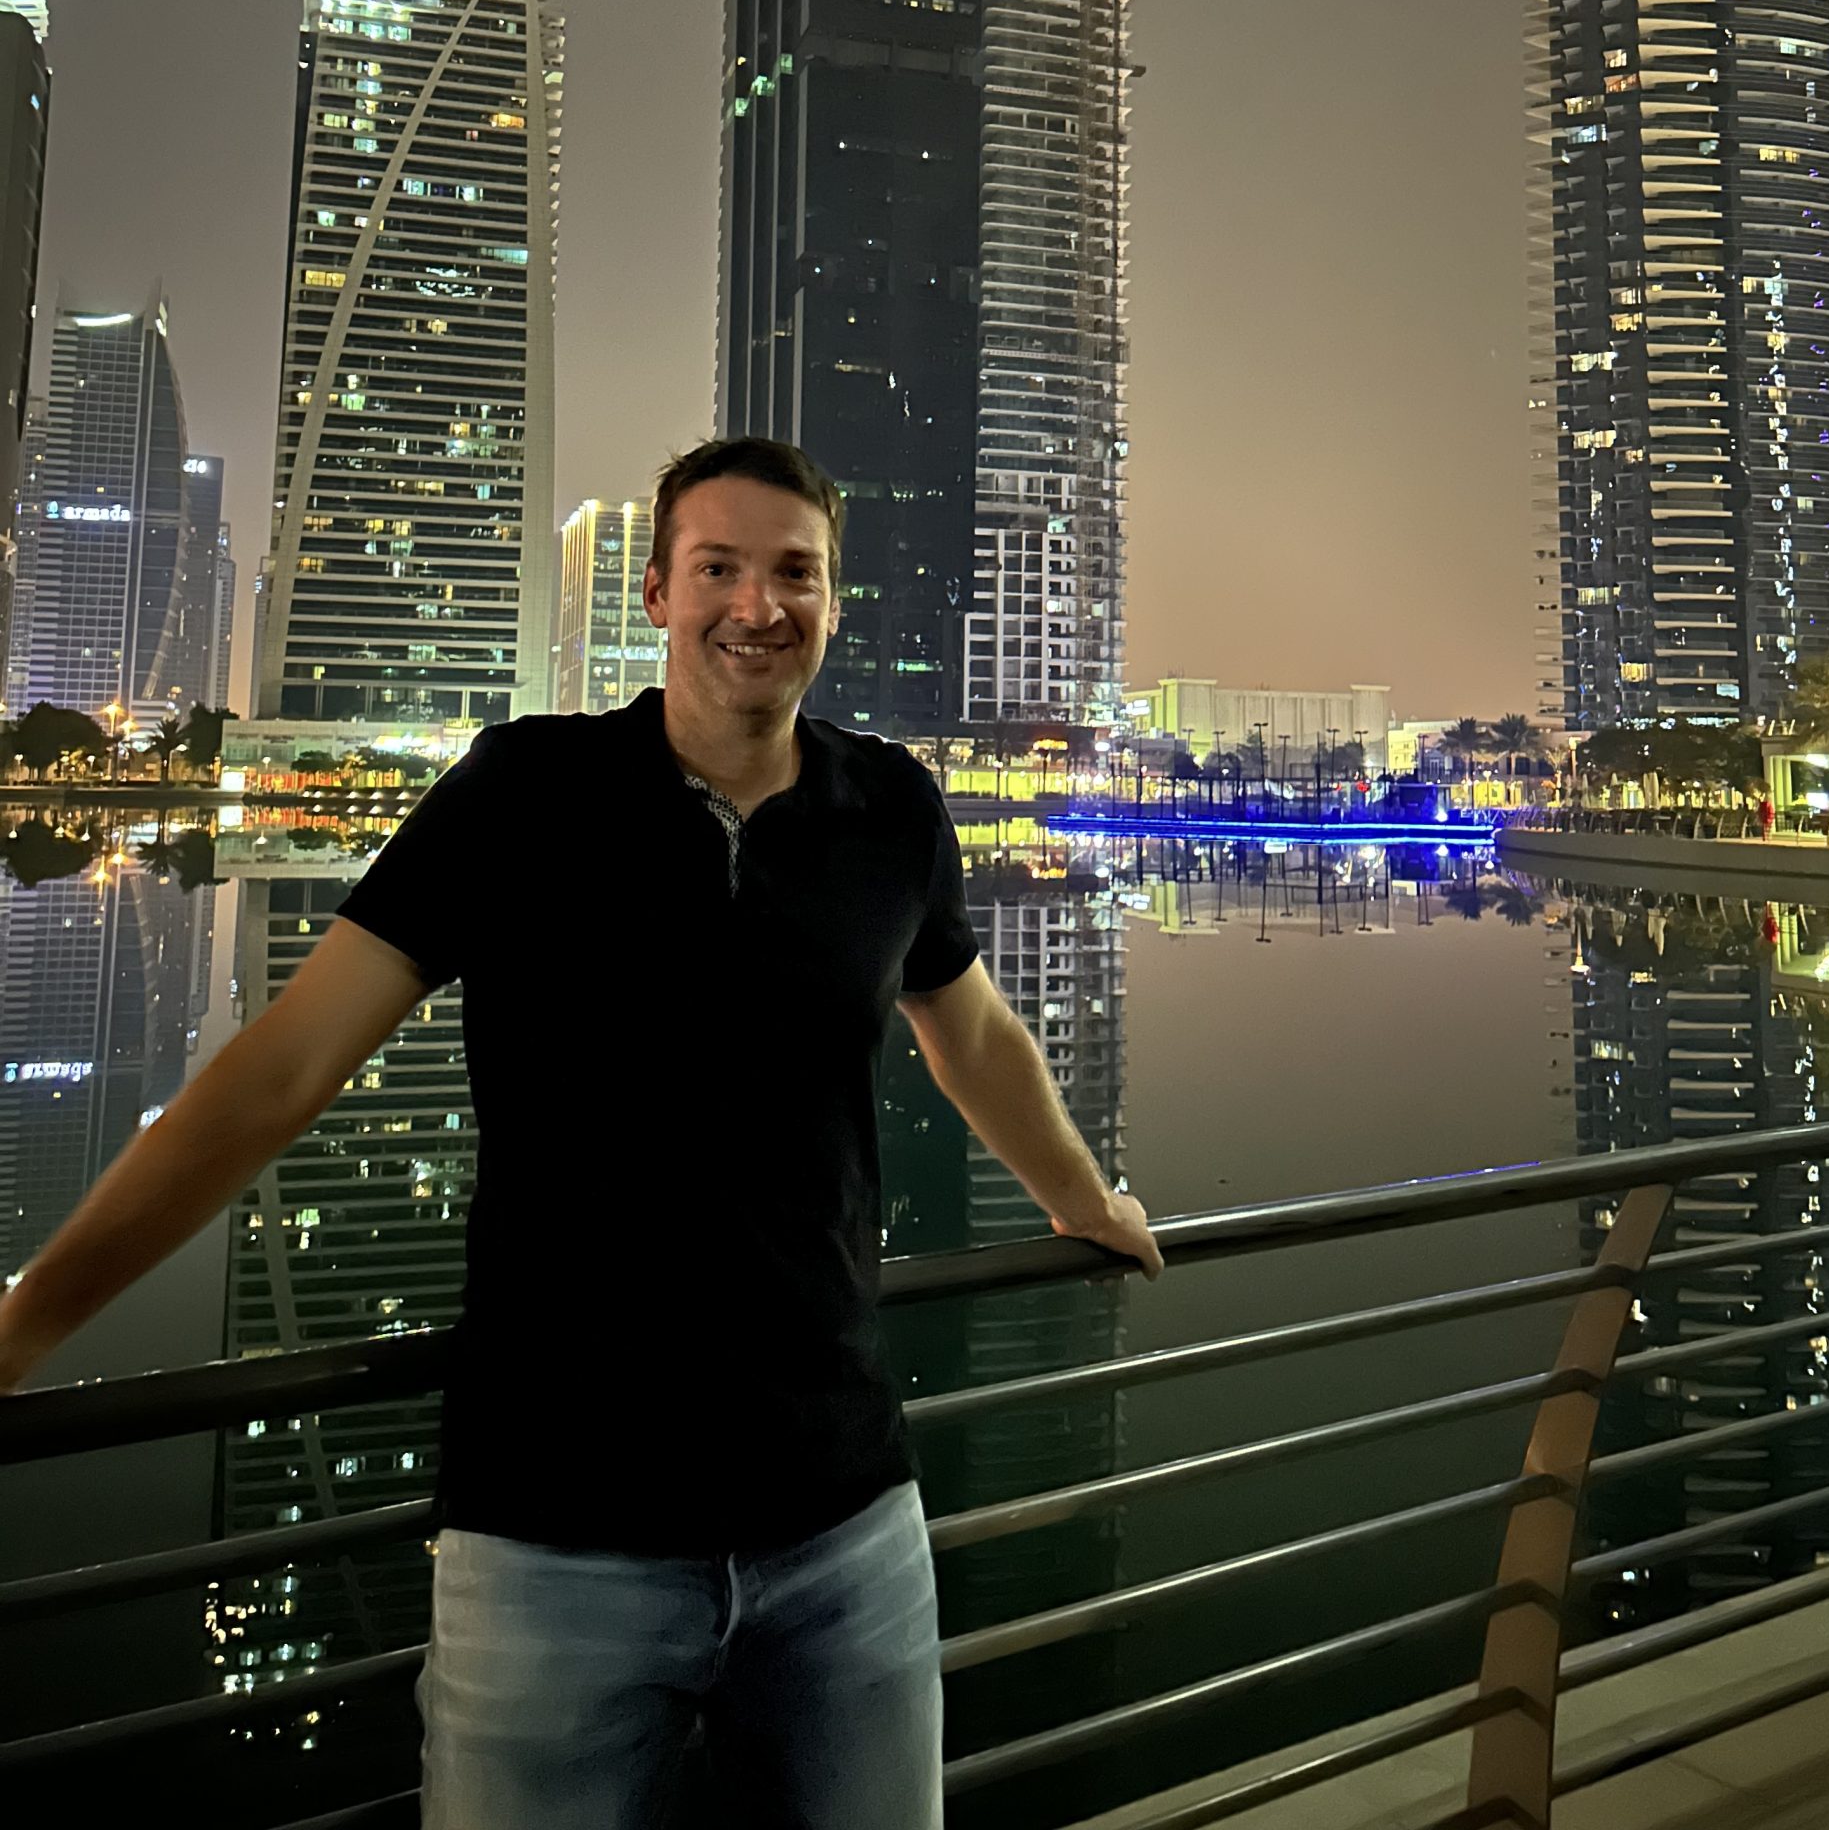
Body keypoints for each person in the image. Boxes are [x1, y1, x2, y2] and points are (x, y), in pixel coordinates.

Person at [0, 435, 1162, 1828]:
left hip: (843, 1526)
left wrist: (1085, 1200)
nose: (758, 605)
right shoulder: (525, 794)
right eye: (719, 567)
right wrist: (27, 1324)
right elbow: (282, 1070)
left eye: (795, 573)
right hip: (554, 1543)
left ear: (833, 602)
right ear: (659, 593)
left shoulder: (890, 811)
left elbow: (967, 1028)